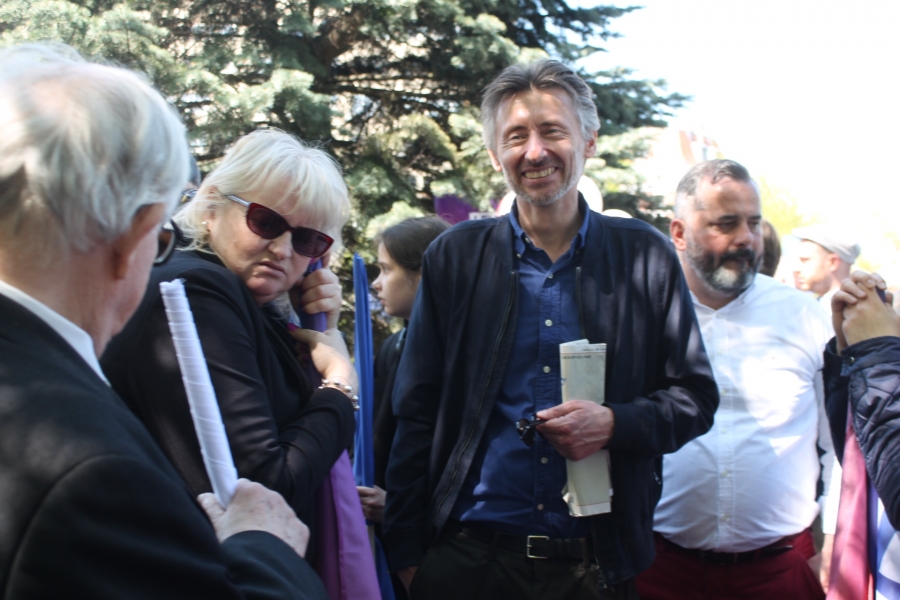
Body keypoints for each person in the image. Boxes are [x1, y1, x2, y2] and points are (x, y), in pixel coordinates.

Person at [381, 59, 719, 600]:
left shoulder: (645, 256)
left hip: (594, 565)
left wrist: (615, 423)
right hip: (466, 561)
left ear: (588, 140)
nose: (535, 151)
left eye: (553, 131)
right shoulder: (455, 258)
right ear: (495, 154)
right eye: (516, 136)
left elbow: (695, 399)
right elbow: (416, 411)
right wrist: (408, 558)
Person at [0, 43, 325, 598]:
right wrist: (266, 547)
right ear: (136, 237)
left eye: (310, 239)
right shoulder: (95, 470)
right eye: (162, 239)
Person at [101, 129, 358, 554]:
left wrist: (305, 321)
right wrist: (340, 386)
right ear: (211, 208)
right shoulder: (199, 292)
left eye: (307, 239)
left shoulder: (243, 302)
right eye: (266, 222)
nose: (282, 249)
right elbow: (264, 491)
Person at [636, 160, 836, 600]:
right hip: (660, 570)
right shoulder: (642, 317)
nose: (746, 238)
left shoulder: (804, 317)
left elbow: (838, 444)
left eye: (754, 223)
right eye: (725, 224)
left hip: (782, 571)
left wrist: (835, 541)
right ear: (679, 233)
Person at [357, 216, 450, 525]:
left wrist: (402, 506)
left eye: (386, 269)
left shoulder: (459, 352)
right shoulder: (393, 346)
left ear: (423, 275)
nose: (376, 283)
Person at [793, 224, 861, 312]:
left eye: (805, 260)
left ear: (833, 262)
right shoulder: (814, 304)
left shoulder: (854, 311)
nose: (796, 269)